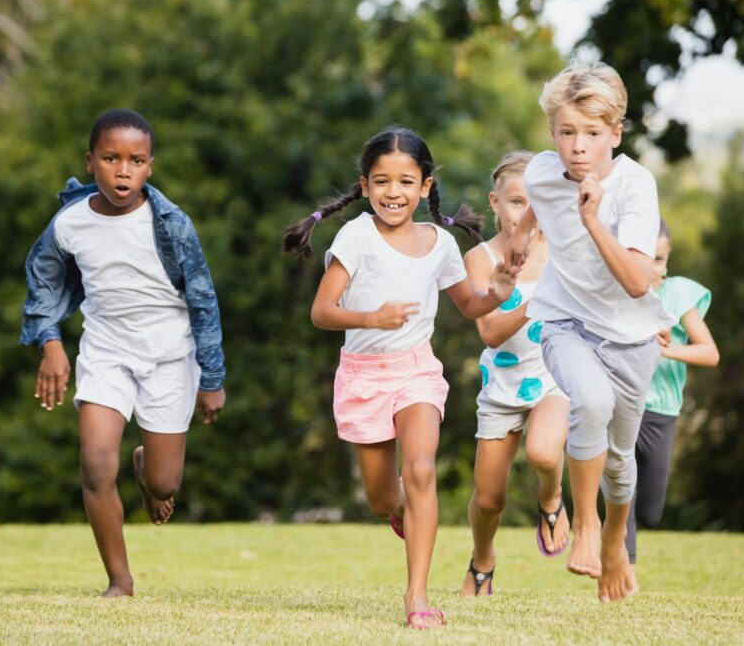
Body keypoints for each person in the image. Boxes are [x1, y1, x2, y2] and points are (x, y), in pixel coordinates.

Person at [283, 126, 518, 629]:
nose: (394, 192)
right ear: (365, 186)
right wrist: (371, 318)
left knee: (420, 472)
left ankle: (417, 599)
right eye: (383, 181)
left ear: (426, 187)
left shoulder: (439, 245)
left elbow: (470, 305)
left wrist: (497, 291)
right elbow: (322, 312)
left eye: (406, 182)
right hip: (364, 377)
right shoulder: (357, 235)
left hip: (416, 372)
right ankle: (399, 512)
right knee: (383, 497)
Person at [20, 109, 226, 597]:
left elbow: (204, 300)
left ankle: (146, 470)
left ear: (150, 167)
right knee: (94, 464)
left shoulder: (172, 224)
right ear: (91, 162)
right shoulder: (69, 224)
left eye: (136, 160)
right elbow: (42, 285)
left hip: (170, 357)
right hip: (106, 350)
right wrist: (50, 344)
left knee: (164, 486)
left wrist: (212, 378)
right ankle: (120, 580)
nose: (123, 170)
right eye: (111, 158)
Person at [506, 61, 677, 603]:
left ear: (616, 133)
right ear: (552, 132)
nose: (578, 147)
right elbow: (537, 196)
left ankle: (613, 541)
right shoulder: (541, 170)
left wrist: (593, 221)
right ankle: (584, 523)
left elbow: (635, 281)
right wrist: (521, 237)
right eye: (566, 132)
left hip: (631, 336)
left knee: (620, 458)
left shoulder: (635, 187)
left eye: (593, 133)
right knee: (591, 402)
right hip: (564, 320)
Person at [459, 151, 570, 599]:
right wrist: (535, 301)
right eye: (517, 202)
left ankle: (551, 498)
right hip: (501, 386)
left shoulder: (564, 253)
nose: (526, 214)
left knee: (544, 453)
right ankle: (482, 561)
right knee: (489, 500)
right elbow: (489, 333)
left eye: (537, 202)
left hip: (553, 377)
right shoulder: (480, 259)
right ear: (495, 202)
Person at [625, 218, 719, 564]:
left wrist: (662, 349)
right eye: (646, 257)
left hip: (662, 414)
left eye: (660, 259)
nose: (653, 268)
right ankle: (625, 569)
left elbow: (710, 353)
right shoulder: (617, 292)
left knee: (650, 512)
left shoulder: (678, 293)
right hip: (623, 406)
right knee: (623, 491)